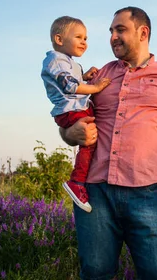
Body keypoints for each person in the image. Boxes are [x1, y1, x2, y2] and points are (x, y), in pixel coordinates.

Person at [60, 7, 157, 280]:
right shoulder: (100, 75)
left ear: (143, 33)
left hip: (145, 194)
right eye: (111, 31)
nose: (113, 37)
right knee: (95, 273)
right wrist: (73, 134)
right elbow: (69, 125)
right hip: (94, 193)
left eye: (120, 30)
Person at [41, 16, 111, 212]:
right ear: (59, 39)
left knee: (93, 137)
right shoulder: (55, 60)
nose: (84, 42)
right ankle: (77, 182)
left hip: (74, 108)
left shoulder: (67, 61)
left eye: (86, 38)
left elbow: (73, 79)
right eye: (79, 37)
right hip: (70, 110)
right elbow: (69, 86)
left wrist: (84, 76)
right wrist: (95, 87)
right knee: (88, 143)